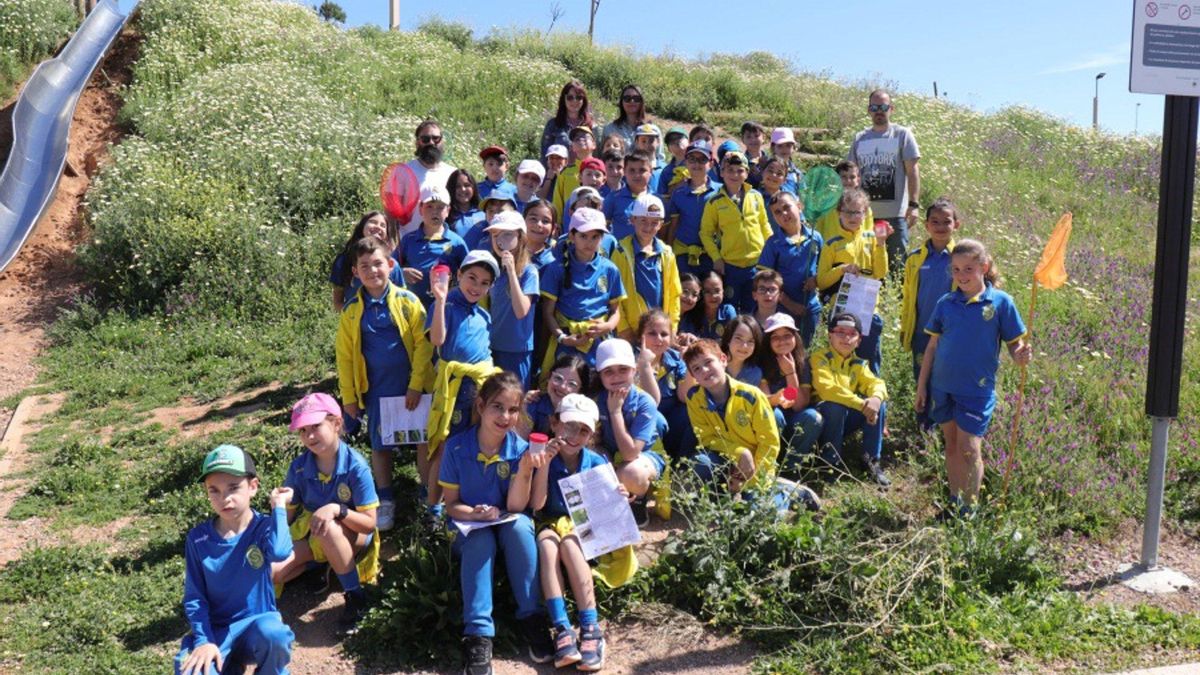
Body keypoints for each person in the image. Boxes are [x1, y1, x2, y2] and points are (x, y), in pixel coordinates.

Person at [437, 372, 554, 674]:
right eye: (497, 407)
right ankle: (478, 635)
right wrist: (475, 514)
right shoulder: (457, 447)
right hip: (467, 524)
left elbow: (516, 507)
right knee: (480, 540)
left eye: (513, 409)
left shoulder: (519, 449)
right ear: (480, 405)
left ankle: (532, 618)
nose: (505, 416)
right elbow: (451, 504)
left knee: (521, 526)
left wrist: (526, 468)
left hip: (505, 520)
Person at [915, 239, 1031, 514]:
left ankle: (971, 508)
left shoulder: (1001, 302)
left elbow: (1014, 345)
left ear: (984, 267)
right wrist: (922, 386)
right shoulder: (946, 303)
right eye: (956, 269)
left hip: (976, 390)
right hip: (942, 387)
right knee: (952, 445)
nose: (962, 275)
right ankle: (955, 502)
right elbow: (931, 347)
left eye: (968, 268)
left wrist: (1020, 355)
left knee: (969, 447)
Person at [511, 394, 615, 670]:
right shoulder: (541, 458)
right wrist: (544, 465)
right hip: (548, 523)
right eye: (568, 427)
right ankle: (562, 628)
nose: (574, 435)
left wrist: (621, 497)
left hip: (583, 529)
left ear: (592, 434)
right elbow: (537, 504)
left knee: (569, 544)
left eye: (583, 430)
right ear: (554, 424)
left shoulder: (595, 461)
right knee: (547, 546)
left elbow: (607, 510)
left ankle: (591, 626)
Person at [336, 236, 432, 530]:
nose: (372, 270)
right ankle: (386, 498)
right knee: (380, 445)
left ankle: (428, 496)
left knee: (423, 442)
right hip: (377, 391)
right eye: (364, 266)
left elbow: (424, 346)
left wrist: (416, 384)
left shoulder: (408, 301)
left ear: (390, 265)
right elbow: (345, 357)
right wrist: (349, 397)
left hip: (411, 388)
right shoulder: (351, 311)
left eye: (378, 263)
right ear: (355, 272)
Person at [176, 445, 293, 675]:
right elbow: (194, 597)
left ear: (252, 487)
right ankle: (230, 667)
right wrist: (203, 640)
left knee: (276, 635)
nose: (224, 498)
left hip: (257, 626)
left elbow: (280, 552)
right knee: (191, 671)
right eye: (214, 490)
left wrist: (279, 507)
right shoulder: (198, 539)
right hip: (217, 632)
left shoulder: (263, 528)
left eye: (233, 488)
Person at [274, 394, 380, 626]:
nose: (309, 436)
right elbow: (289, 518)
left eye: (316, 426)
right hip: (312, 531)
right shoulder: (299, 467)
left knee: (328, 529)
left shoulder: (356, 467)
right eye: (302, 430)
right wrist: (278, 507)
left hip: (351, 532)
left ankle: (355, 595)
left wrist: (337, 510)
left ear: (336, 423)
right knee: (274, 571)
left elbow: (370, 523)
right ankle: (321, 564)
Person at [683, 339, 820, 511]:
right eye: (696, 368)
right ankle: (726, 497)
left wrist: (752, 479)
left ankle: (788, 493)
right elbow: (706, 438)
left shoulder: (751, 395)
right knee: (702, 463)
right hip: (727, 458)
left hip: (758, 463)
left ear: (723, 360)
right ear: (693, 377)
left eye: (708, 362)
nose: (704, 370)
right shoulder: (695, 398)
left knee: (759, 513)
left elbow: (769, 443)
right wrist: (740, 453)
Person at [425, 250, 503, 523]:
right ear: (458, 275)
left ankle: (462, 501)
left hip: (479, 390)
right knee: (446, 447)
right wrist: (440, 299)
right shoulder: (443, 306)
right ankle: (434, 506)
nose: (476, 286)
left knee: (475, 444)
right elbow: (437, 340)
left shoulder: (484, 315)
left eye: (484, 282)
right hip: (454, 391)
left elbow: (485, 352)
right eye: (471, 278)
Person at [901, 198, 960, 430]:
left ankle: (946, 428)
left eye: (946, 221)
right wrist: (906, 327)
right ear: (926, 225)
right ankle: (924, 429)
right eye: (934, 221)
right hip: (921, 331)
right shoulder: (916, 258)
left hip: (950, 335)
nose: (940, 226)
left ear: (956, 224)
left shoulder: (961, 258)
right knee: (922, 381)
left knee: (945, 382)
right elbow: (908, 297)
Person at [810, 313, 890, 486]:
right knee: (835, 406)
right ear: (829, 335)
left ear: (859, 340)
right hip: (820, 422)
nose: (846, 338)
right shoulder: (819, 358)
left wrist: (875, 399)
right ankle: (829, 463)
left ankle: (871, 461)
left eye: (852, 334)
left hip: (844, 421)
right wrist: (862, 405)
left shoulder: (859, 364)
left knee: (878, 403)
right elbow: (828, 390)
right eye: (840, 332)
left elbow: (876, 383)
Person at [593, 338, 666, 526]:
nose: (616, 377)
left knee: (632, 473)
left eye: (623, 369)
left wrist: (615, 411)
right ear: (600, 375)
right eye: (609, 371)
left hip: (644, 457)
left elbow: (631, 453)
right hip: (610, 454)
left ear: (634, 370)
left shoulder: (644, 402)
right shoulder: (596, 400)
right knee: (591, 463)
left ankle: (638, 502)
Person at [540, 207, 626, 367]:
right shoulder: (556, 268)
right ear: (572, 236)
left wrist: (607, 326)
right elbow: (548, 312)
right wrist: (562, 338)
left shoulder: (610, 269)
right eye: (583, 236)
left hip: (599, 342)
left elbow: (615, 311)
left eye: (595, 237)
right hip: (567, 340)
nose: (589, 242)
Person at [847, 89, 921, 271]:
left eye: (883, 106)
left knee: (897, 265)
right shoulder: (859, 138)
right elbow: (851, 174)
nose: (879, 111)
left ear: (891, 109)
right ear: (868, 110)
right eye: (874, 107)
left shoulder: (902, 135)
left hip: (895, 216)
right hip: (865, 216)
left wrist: (913, 205)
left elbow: (912, 171)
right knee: (867, 265)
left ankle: (897, 299)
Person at [816, 188, 887, 373]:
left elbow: (880, 272)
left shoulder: (872, 239)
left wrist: (881, 245)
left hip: (868, 310)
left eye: (858, 212)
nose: (853, 216)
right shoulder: (832, 243)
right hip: (841, 311)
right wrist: (841, 270)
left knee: (869, 365)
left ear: (865, 214)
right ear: (839, 212)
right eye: (848, 211)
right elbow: (821, 281)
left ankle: (873, 401)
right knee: (841, 364)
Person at [700, 151, 772, 312]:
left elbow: (764, 225)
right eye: (730, 170)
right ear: (722, 172)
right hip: (731, 266)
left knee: (754, 308)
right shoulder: (714, 201)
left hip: (757, 264)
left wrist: (771, 251)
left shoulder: (756, 196)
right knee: (730, 309)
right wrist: (717, 258)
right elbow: (705, 233)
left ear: (747, 173)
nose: (735, 174)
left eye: (740, 170)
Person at [760, 313, 823, 475]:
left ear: (796, 338)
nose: (782, 341)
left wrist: (791, 372)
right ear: (768, 341)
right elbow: (767, 402)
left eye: (787, 335)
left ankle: (791, 467)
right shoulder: (761, 364)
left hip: (795, 420)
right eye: (775, 337)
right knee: (776, 415)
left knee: (812, 416)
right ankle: (770, 464)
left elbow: (799, 405)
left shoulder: (803, 362)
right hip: (773, 421)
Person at [760, 191, 823, 347]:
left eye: (787, 207)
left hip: (810, 307)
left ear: (799, 206)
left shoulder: (816, 237)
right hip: (783, 309)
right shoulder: (773, 244)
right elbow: (764, 279)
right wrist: (788, 303)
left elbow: (824, 267)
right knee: (786, 348)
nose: (784, 214)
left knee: (807, 349)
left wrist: (816, 280)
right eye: (778, 212)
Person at [614, 193, 681, 339]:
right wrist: (623, 328)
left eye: (654, 222)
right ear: (633, 220)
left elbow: (674, 293)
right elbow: (614, 296)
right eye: (643, 220)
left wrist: (672, 327)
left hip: (660, 333)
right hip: (631, 331)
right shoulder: (621, 252)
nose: (648, 227)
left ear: (661, 224)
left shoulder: (667, 253)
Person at [485, 211, 539, 387]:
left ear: (521, 238)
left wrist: (511, 271)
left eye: (507, 234)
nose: (500, 241)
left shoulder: (530, 271)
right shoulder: (492, 269)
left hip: (517, 350)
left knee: (516, 402)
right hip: (492, 347)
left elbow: (521, 310)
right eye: (495, 235)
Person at [634, 310, 694, 460]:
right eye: (652, 333)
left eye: (664, 334)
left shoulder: (674, 359)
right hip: (640, 416)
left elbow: (684, 396)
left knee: (688, 413)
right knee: (657, 419)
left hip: (670, 414)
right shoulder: (630, 359)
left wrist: (688, 364)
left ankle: (679, 462)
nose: (658, 339)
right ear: (640, 335)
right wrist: (644, 366)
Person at [399, 184, 470, 307]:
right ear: (421, 209)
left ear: (448, 211)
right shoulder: (408, 240)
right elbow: (390, 268)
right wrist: (402, 272)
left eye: (440, 207)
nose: (434, 212)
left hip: (446, 308)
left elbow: (469, 272)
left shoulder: (456, 242)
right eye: (429, 206)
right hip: (413, 309)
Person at [329, 211, 404, 312]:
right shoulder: (344, 261)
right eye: (373, 222)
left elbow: (403, 299)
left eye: (383, 225)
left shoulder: (392, 264)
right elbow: (338, 301)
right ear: (362, 226)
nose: (378, 227)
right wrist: (353, 317)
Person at [666, 140, 720, 278]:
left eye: (702, 160)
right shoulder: (678, 193)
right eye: (692, 159)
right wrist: (669, 250)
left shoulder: (720, 191)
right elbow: (674, 224)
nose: (696, 164)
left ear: (711, 163)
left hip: (712, 254)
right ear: (686, 162)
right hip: (684, 254)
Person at [402, 119, 458, 235]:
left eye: (436, 138)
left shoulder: (453, 173)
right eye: (425, 139)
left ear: (442, 141)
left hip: (444, 245)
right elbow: (391, 213)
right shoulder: (403, 171)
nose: (431, 143)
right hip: (407, 244)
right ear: (417, 143)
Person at [520, 353, 591, 439]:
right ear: (549, 377)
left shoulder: (585, 414)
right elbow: (519, 441)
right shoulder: (533, 403)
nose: (562, 387)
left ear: (580, 390)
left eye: (572, 384)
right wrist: (522, 407)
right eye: (558, 378)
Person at [813, 160, 874, 242]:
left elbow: (869, 235)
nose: (848, 181)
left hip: (856, 252)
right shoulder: (825, 205)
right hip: (830, 252)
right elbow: (818, 231)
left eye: (852, 177)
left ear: (858, 180)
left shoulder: (864, 207)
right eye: (844, 177)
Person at [603, 150, 655, 240]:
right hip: (621, 253)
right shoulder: (613, 199)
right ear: (624, 172)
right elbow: (603, 230)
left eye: (642, 170)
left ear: (651, 171)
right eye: (632, 170)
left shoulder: (658, 199)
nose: (637, 175)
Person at [541, 79, 597, 161]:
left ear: (583, 100)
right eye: (570, 97)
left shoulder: (591, 125)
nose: (575, 101)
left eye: (579, 97)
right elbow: (545, 155)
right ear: (563, 99)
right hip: (559, 172)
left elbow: (598, 156)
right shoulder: (553, 125)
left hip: (586, 171)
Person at [552, 126, 598, 216]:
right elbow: (557, 202)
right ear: (572, 147)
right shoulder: (565, 173)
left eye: (585, 137)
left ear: (594, 145)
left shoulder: (601, 170)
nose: (581, 139)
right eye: (576, 138)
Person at [678, 270, 736, 341]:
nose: (713, 296)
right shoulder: (692, 313)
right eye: (708, 291)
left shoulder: (728, 311)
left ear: (723, 292)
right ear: (701, 294)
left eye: (717, 291)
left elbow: (732, 341)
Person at [601, 85, 650, 157]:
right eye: (627, 98)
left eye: (636, 98)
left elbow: (659, 157)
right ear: (621, 102)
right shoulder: (609, 129)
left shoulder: (651, 129)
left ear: (641, 102)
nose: (632, 101)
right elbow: (602, 156)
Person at [719, 314, 764, 386]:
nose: (744, 346)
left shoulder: (755, 374)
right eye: (738, 338)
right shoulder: (713, 364)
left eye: (750, 341)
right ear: (728, 339)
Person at [447, 169, 487, 240]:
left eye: (467, 185)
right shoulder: (446, 216)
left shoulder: (484, 212)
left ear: (473, 187)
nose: (463, 189)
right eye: (457, 186)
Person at [768, 128, 806, 196]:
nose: (784, 149)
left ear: (793, 148)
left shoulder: (797, 174)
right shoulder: (765, 169)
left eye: (788, 146)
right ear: (773, 148)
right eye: (780, 146)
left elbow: (803, 195)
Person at [656, 126, 689, 196]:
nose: (676, 141)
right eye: (671, 140)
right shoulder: (666, 171)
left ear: (689, 142)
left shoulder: (696, 164)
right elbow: (661, 195)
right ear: (668, 149)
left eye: (680, 137)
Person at [675, 272, 702, 348]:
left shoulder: (693, 321)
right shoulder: (663, 315)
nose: (689, 298)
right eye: (685, 291)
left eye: (694, 295)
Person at [740, 121, 768, 186]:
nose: (753, 140)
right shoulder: (740, 162)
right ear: (742, 139)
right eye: (748, 137)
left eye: (756, 136)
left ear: (763, 137)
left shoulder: (769, 161)